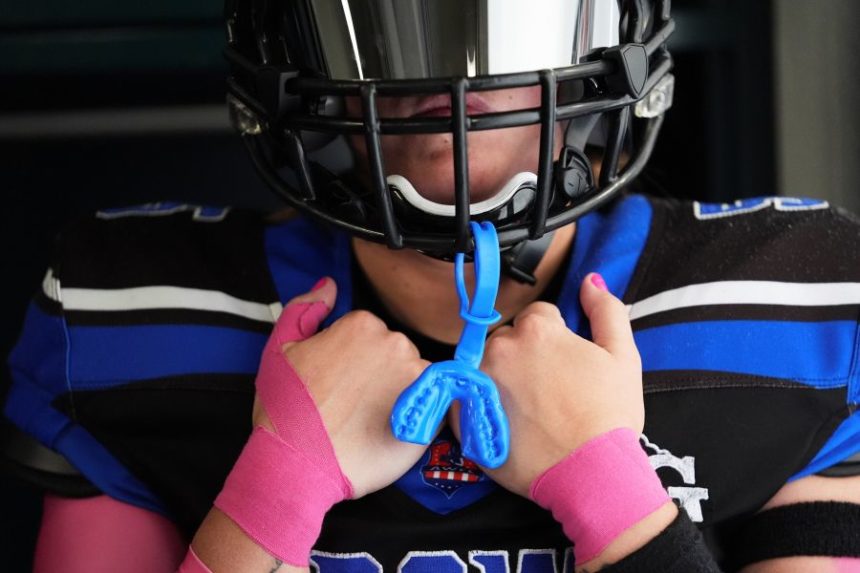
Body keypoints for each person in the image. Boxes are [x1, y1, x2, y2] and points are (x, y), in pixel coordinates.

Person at [3, 0, 860, 571]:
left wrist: (616, 498)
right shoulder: (127, 310)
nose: (454, 65)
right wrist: (275, 490)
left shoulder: (800, 296)